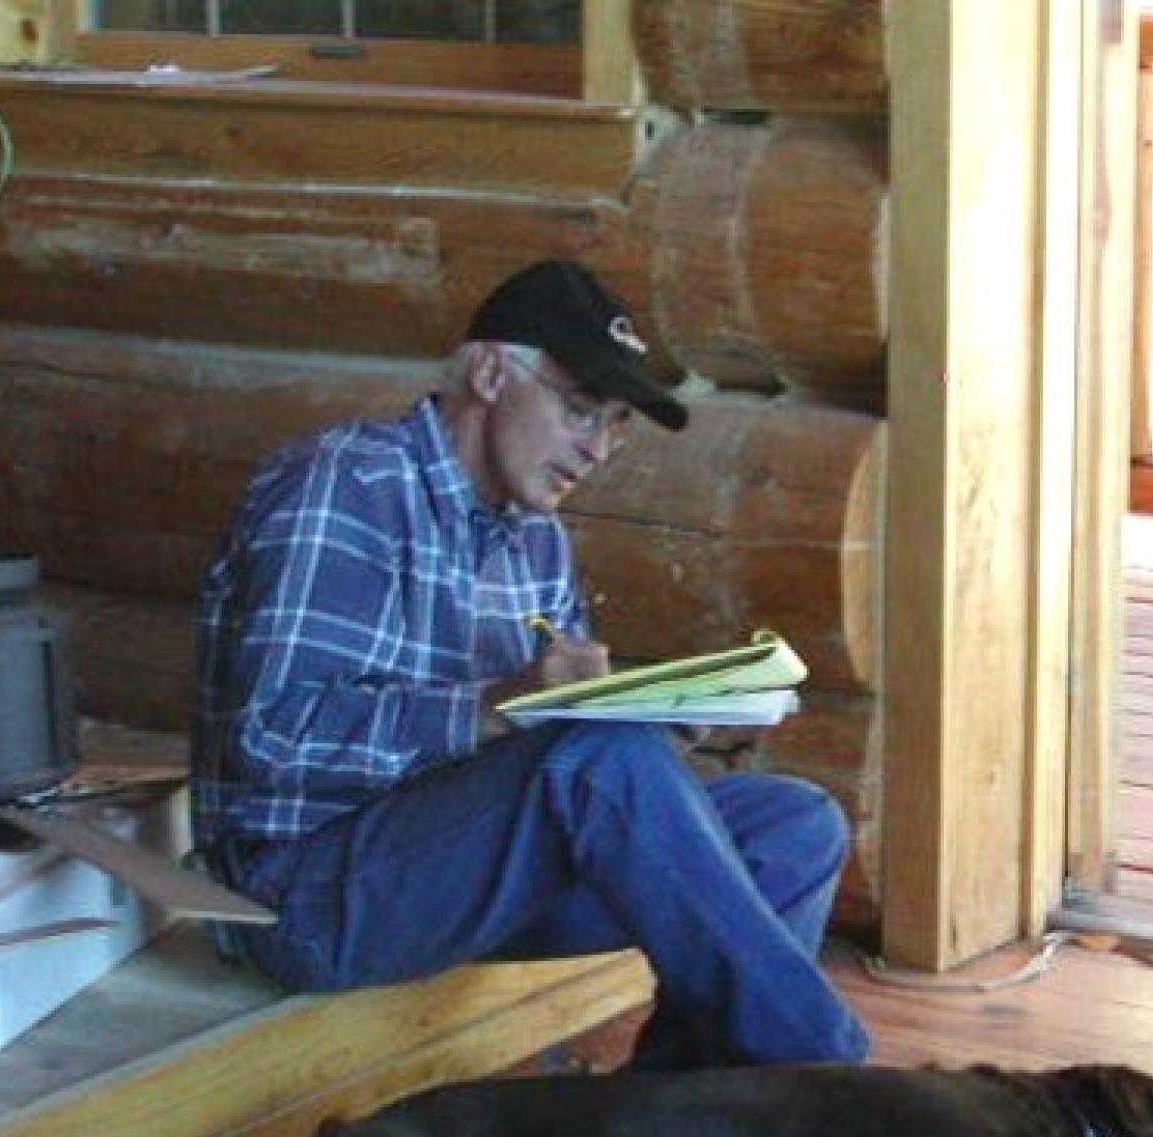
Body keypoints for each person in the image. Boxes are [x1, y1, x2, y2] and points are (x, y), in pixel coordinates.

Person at [192, 260, 871, 1070]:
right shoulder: (346, 485)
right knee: (600, 762)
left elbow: (557, 760)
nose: (597, 449)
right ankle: (835, 1075)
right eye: (580, 408)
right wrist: (503, 705)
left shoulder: (535, 538)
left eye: (617, 423)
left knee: (797, 825)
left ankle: (680, 1133)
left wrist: (659, 718)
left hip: (462, 871)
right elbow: (273, 737)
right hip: (302, 894)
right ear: (487, 372)